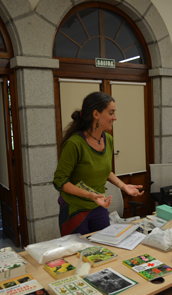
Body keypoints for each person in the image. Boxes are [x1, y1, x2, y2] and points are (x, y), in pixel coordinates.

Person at [53, 91, 144, 236]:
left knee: (105, 250)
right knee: (79, 254)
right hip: (75, 210)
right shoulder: (74, 143)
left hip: (99, 207)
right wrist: (90, 195)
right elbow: (60, 181)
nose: (115, 117)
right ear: (96, 114)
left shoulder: (108, 139)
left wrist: (123, 185)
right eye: (111, 113)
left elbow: (104, 170)